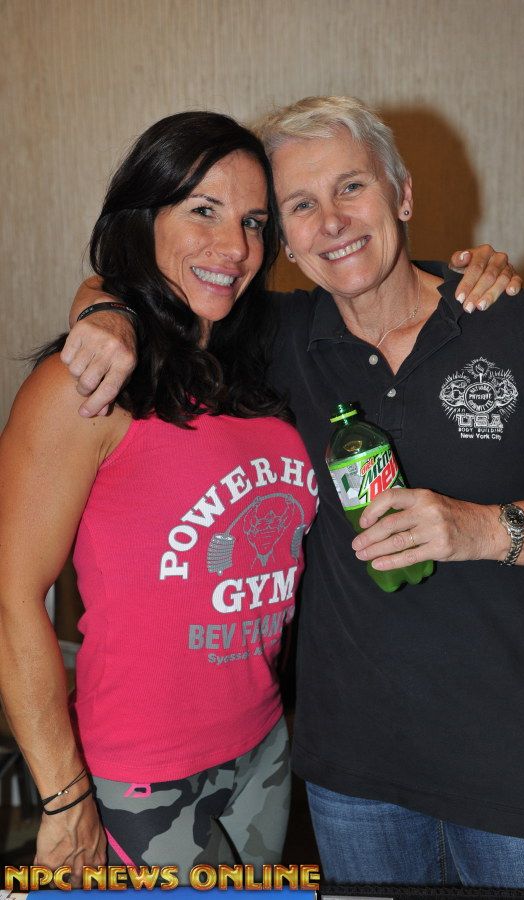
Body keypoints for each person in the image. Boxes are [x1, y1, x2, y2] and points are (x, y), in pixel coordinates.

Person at [63, 97, 524, 892]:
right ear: (282, 239)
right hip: (353, 782)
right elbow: (152, 287)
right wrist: (103, 309)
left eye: (351, 187)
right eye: (300, 206)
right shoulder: (271, 339)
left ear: (401, 195)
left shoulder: (521, 327)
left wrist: (480, 530)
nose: (332, 222)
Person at [0, 111, 319, 884]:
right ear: (143, 218)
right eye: (203, 210)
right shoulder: (85, 385)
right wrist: (64, 796)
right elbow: (11, 599)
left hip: (263, 747)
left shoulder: (262, 366)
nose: (234, 246)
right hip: (138, 778)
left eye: (253, 222)